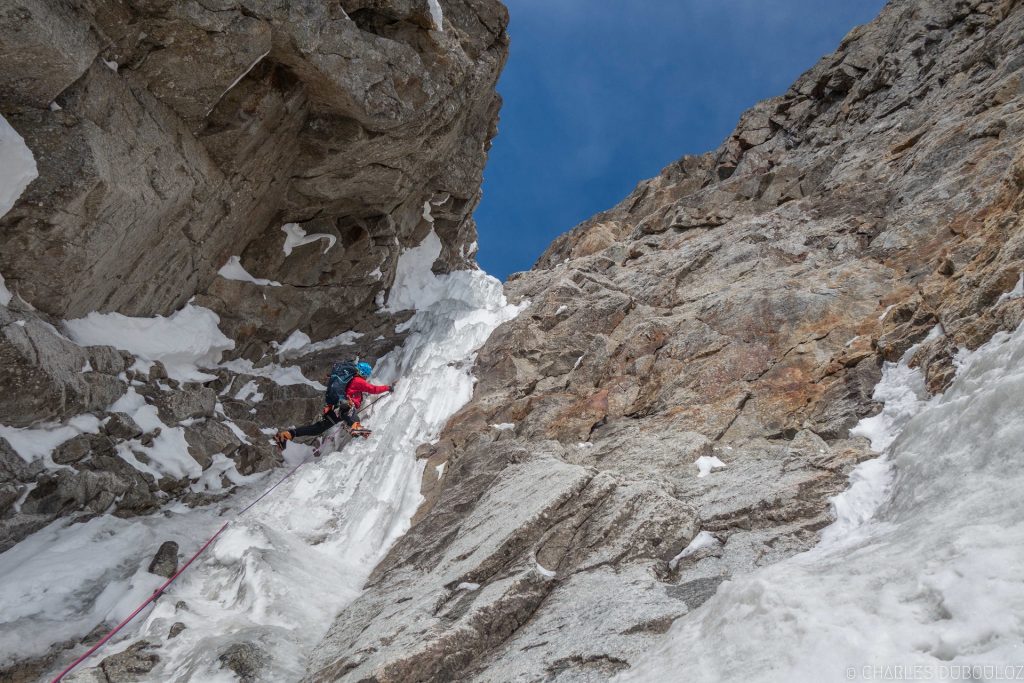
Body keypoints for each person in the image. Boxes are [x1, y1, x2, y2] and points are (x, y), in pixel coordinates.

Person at [275, 360, 394, 449]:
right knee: (349, 411)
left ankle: (288, 434)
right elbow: (373, 389)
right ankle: (355, 427)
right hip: (344, 406)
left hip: (335, 408)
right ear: (364, 374)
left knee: (318, 429)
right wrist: (388, 388)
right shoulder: (358, 380)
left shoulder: (348, 379)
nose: (366, 377)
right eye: (366, 375)